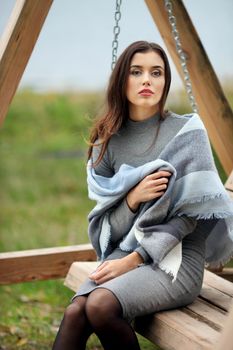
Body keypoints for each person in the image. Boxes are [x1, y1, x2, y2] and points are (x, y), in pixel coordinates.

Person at [52, 41, 233, 350]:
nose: (147, 80)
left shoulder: (187, 133)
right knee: (76, 312)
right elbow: (109, 231)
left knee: (99, 305)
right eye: (137, 72)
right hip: (123, 252)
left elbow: (190, 217)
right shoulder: (108, 141)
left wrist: (136, 259)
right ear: (122, 79)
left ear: (165, 82)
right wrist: (132, 199)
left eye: (156, 72)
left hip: (175, 260)